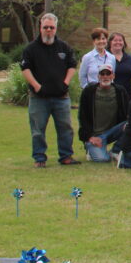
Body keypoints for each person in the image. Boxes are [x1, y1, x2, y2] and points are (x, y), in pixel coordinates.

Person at [21, 13, 79, 167]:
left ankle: (66, 157)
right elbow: (25, 69)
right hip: (39, 98)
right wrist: (37, 86)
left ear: (56, 28)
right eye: (45, 27)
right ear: (40, 27)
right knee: (38, 130)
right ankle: (39, 158)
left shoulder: (64, 47)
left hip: (61, 97)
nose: (48, 30)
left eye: (51, 27)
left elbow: (72, 65)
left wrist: (65, 83)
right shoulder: (31, 49)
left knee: (66, 128)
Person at [77, 64, 129, 162]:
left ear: (113, 76)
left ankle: (115, 150)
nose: (105, 76)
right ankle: (91, 149)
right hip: (95, 134)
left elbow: (128, 112)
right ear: (98, 76)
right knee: (102, 160)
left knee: (130, 124)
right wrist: (89, 137)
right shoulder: (89, 91)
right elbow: (82, 116)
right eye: (102, 74)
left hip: (113, 131)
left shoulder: (120, 91)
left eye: (108, 73)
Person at [108, 32, 131, 100]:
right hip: (110, 93)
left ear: (124, 43)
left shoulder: (129, 59)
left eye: (120, 40)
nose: (118, 42)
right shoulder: (106, 57)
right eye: (115, 40)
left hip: (127, 94)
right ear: (110, 43)